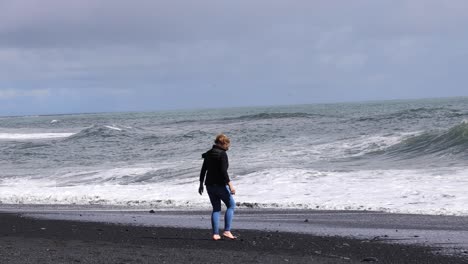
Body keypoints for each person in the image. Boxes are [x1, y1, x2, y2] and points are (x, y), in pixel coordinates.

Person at [199, 134, 237, 241]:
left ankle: (215, 234)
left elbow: (203, 170)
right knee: (231, 205)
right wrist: (230, 185)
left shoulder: (208, 153)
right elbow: (223, 171)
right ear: (221, 143)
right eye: (226, 144)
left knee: (216, 208)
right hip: (220, 185)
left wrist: (201, 184)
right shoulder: (222, 154)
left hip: (209, 185)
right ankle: (227, 231)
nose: (227, 147)